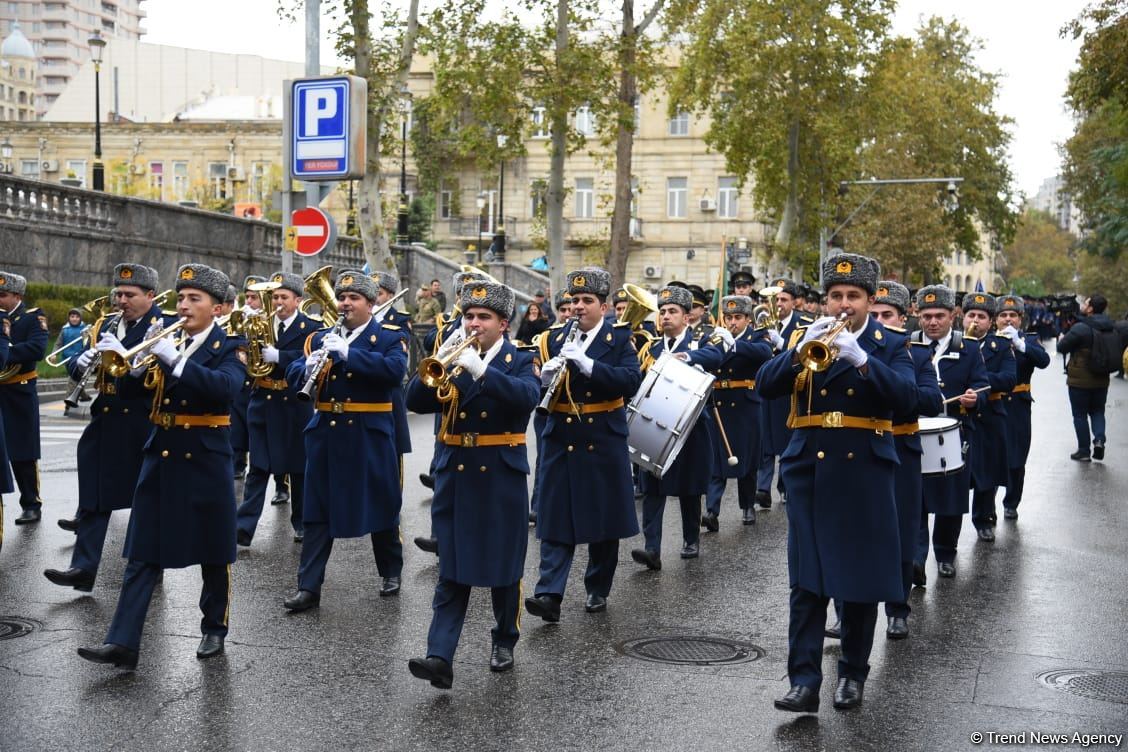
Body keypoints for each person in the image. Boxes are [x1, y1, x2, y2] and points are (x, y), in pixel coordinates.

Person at [759, 253, 917, 713]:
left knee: (858, 579)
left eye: (853, 297)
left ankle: (851, 673)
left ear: (870, 300)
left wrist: (864, 360)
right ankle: (804, 681)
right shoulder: (807, 335)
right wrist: (794, 353)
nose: (843, 305)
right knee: (807, 580)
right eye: (835, 296)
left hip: (864, 470)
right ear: (825, 299)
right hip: (809, 469)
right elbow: (764, 387)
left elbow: (908, 401)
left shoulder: (890, 343)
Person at [76, 264, 246, 669]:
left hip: (205, 455)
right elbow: (135, 389)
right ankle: (122, 642)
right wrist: (115, 361)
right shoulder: (166, 339)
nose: (184, 306)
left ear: (218, 308)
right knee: (142, 550)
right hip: (161, 452)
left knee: (213, 550)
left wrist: (176, 362)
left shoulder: (232, 347)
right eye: (182, 298)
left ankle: (213, 628)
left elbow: (225, 389)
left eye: (195, 299)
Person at [405, 280, 537, 688]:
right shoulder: (454, 357)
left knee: (502, 568)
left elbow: (526, 397)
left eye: (484, 317)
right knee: (454, 569)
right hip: (457, 472)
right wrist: (434, 362)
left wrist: (484, 372)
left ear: (503, 324)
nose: (474, 323)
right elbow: (415, 402)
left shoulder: (518, 359)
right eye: (469, 316)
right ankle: (439, 656)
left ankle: (504, 640)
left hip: (499, 473)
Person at [44, 264, 175, 593]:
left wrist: (129, 363)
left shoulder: (166, 325)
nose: (122, 300)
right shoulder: (106, 323)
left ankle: (150, 564)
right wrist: (82, 361)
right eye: (118, 293)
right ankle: (83, 567)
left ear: (150, 295)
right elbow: (77, 369)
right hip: (106, 416)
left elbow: (168, 377)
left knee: (146, 499)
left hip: (143, 419)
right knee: (94, 494)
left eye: (130, 294)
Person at [282, 271, 408, 612]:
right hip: (326, 431)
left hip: (369, 431)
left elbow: (396, 372)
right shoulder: (321, 336)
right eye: (342, 298)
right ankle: (309, 587)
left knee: (381, 504)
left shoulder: (388, 338)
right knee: (317, 511)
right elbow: (292, 373)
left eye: (354, 298)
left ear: (370, 303)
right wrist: (306, 365)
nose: (345, 304)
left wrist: (352, 355)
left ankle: (390, 571)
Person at [525, 268, 642, 620]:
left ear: (603, 307)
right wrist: (544, 379)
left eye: (587, 301)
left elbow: (630, 381)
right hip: (562, 436)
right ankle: (549, 594)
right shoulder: (550, 339)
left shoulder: (619, 339)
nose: (578, 307)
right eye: (573, 300)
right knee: (555, 516)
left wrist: (588, 365)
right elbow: (534, 389)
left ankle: (597, 588)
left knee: (604, 522)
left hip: (603, 436)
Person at [857, 281, 942, 639]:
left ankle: (897, 607)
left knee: (900, 532)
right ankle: (850, 605)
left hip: (901, 450)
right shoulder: (848, 347)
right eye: (873, 315)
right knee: (856, 531)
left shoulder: (916, 353)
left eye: (886, 315)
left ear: (903, 318)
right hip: (860, 449)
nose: (878, 321)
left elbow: (930, 401)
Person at [630, 285, 717, 569]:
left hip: (691, 428)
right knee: (653, 488)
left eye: (672, 312)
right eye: (663, 312)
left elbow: (717, 357)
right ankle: (651, 548)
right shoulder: (650, 347)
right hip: (655, 425)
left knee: (689, 488)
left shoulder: (699, 343)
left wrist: (689, 359)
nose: (666, 316)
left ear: (687, 317)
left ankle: (691, 539)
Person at [911, 285, 989, 580]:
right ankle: (916, 559)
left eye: (939, 316)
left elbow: (982, 385)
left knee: (950, 498)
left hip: (955, 431)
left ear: (953, 316)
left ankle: (945, 553)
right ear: (918, 316)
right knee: (914, 497)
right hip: (914, 431)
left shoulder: (967, 348)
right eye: (926, 316)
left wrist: (974, 399)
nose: (932, 322)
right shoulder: (908, 345)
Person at [235, 272, 316, 547]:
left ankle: (302, 523)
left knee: (298, 468)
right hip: (263, 401)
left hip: (293, 403)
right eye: (274, 297)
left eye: (283, 297)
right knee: (258, 466)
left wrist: (279, 356)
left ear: (298, 300)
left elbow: (312, 357)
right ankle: (243, 527)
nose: (278, 302)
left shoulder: (311, 326)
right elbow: (244, 354)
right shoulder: (259, 323)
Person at [698, 294, 775, 530]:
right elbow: (703, 354)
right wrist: (714, 343)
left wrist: (735, 344)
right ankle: (712, 511)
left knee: (747, 460)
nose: (732, 322)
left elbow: (764, 353)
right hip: (719, 403)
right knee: (717, 462)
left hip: (746, 406)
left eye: (738, 317)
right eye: (728, 317)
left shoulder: (757, 336)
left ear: (748, 319)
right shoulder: (713, 336)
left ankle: (747, 505)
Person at [757, 279, 815, 510]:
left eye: (783, 299)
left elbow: (806, 353)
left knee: (787, 441)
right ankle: (763, 489)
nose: (778, 304)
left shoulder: (804, 324)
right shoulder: (761, 322)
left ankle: (784, 487)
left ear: (794, 301)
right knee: (765, 441)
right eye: (775, 300)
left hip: (789, 391)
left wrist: (781, 343)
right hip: (766, 388)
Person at [962, 294, 1016, 543]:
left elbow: (1008, 379)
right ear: (962, 318)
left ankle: (984, 518)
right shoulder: (954, 344)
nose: (975, 320)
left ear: (991, 321)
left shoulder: (1000, 345)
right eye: (971, 315)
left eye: (981, 317)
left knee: (987, 471)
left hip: (991, 414)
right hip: (961, 415)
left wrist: (979, 376)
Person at [0, 271, 48, 526]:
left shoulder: (32, 318)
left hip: (19, 391)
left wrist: (5, 351)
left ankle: (31, 503)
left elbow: (38, 349)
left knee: (23, 452)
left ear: (17, 296)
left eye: (3, 295)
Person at [996, 295, 1050, 519]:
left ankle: (1012, 502)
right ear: (995, 319)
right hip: (994, 403)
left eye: (1013, 315)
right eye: (1003, 315)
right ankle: (986, 508)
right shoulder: (988, 339)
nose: (1008, 319)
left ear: (1020, 319)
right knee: (992, 456)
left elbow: (1044, 360)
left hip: (1018, 404)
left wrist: (1021, 345)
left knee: (1017, 457)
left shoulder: (1029, 339)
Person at [1057, 294, 1118, 462]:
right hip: (1102, 378)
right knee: (1098, 411)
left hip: (1079, 380)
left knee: (1080, 414)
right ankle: (1099, 439)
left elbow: (1062, 347)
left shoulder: (1081, 327)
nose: (1083, 305)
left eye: (1086, 302)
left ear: (1090, 308)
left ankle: (1084, 451)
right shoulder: (1110, 326)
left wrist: (1062, 338)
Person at [231, 275, 265, 482]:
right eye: (248, 297)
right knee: (237, 427)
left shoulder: (269, 321)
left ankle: (280, 482)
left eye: (254, 298)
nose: (249, 302)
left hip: (261, 381)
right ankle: (238, 463)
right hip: (241, 381)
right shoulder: (241, 318)